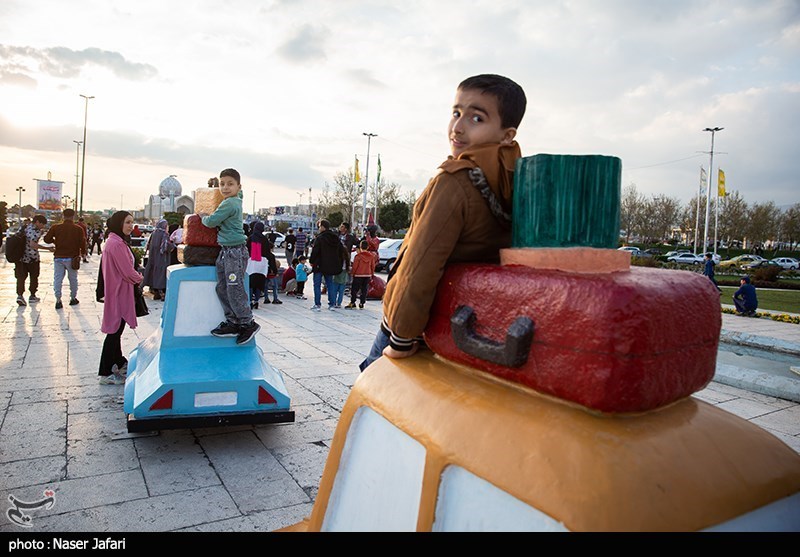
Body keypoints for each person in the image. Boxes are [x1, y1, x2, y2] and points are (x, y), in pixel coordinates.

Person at [359, 74, 526, 371]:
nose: (458, 127)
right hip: (468, 323)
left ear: (507, 134)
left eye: (477, 118)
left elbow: (421, 264)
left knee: (370, 390)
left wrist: (399, 335)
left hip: (416, 326)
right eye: (456, 113)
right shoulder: (516, 183)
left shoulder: (454, 181)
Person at [200, 168, 260, 345]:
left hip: (234, 252)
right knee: (223, 287)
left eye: (230, 184)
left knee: (234, 288)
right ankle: (233, 321)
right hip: (227, 251)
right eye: (222, 184)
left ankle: (247, 322)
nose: (225, 187)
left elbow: (211, 222)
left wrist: (203, 216)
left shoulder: (229, 203)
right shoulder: (236, 200)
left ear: (238, 186)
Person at [98, 211, 144, 385]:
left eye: (132, 222)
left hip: (118, 290)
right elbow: (127, 271)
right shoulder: (116, 244)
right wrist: (140, 278)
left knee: (117, 329)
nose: (130, 226)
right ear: (119, 224)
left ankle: (119, 362)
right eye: (127, 222)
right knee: (114, 331)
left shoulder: (116, 242)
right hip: (119, 291)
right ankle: (105, 371)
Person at [43, 208, 87, 310]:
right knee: (73, 279)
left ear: (63, 216)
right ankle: (73, 298)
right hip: (72, 258)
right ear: (73, 216)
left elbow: (46, 239)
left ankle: (58, 300)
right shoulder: (78, 229)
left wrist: (56, 241)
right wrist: (83, 253)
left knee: (58, 279)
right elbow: (82, 243)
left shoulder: (56, 228)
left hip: (58, 256)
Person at [309, 219, 349, 311]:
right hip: (330, 265)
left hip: (319, 264)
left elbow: (315, 251)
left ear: (323, 227)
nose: (319, 228)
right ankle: (332, 304)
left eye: (319, 226)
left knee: (317, 285)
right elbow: (340, 251)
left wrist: (312, 261)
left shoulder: (319, 238)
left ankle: (317, 304)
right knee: (330, 284)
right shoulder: (335, 238)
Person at [15, 215, 53, 306]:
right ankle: (32, 295)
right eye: (42, 224)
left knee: (21, 277)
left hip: (20, 258)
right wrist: (47, 248)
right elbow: (33, 244)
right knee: (34, 277)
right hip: (32, 258)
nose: (42, 226)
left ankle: (20, 295)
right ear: (37, 222)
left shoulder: (24, 227)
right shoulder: (36, 231)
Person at [142, 219, 171, 301]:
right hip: (162, 259)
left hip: (152, 258)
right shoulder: (164, 234)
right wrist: (173, 246)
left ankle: (156, 293)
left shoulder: (153, 233)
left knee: (153, 273)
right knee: (161, 276)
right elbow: (166, 247)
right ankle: (162, 294)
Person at [246, 221, 269, 309]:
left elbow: (247, 249)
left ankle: (250, 301)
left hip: (251, 263)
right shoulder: (264, 239)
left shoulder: (251, 238)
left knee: (251, 283)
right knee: (259, 283)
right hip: (262, 263)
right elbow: (267, 252)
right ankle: (256, 301)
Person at [346, 240, 374, 310]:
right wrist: (371, 274)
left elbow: (355, 266)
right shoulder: (371, 256)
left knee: (354, 289)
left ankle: (353, 302)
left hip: (358, 274)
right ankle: (362, 303)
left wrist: (352, 273)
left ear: (360, 247)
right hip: (367, 274)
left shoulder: (358, 256)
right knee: (364, 289)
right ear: (367, 247)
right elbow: (372, 266)